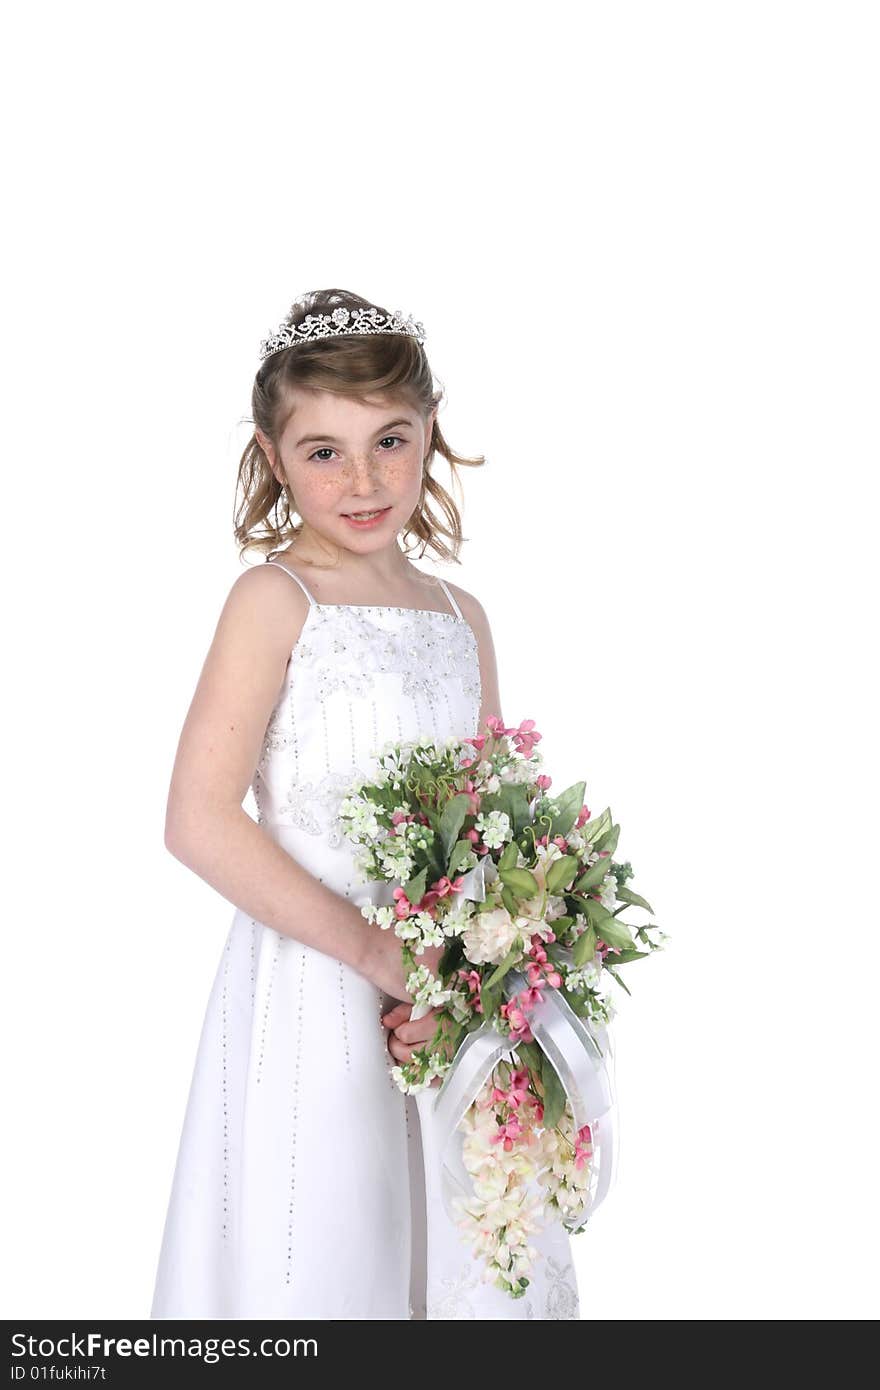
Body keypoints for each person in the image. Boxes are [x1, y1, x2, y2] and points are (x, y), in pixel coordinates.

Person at [149, 287, 581, 1320]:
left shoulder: (457, 614)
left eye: (389, 440)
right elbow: (197, 817)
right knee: (326, 1247)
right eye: (323, 451)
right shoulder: (274, 599)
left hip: (444, 1004)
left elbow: (488, 826)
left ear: (429, 428)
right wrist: (377, 952)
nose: (362, 479)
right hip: (312, 992)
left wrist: (498, 962)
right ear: (272, 452)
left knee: (456, 1246)